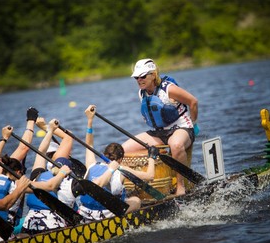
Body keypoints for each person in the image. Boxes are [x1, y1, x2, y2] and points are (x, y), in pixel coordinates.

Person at [122, 58, 199, 196]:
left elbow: (193, 101)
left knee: (175, 144)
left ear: (153, 75)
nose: (139, 80)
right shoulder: (142, 92)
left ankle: (180, 187)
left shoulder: (168, 88)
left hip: (182, 128)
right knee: (122, 150)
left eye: (143, 76)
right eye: (136, 78)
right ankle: (130, 190)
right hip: (160, 133)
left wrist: (194, 123)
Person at [77, 105, 158, 221]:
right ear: (120, 159)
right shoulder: (122, 170)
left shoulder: (91, 165)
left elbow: (89, 145)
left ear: (105, 155)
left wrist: (90, 120)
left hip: (84, 212)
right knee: (136, 200)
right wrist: (151, 157)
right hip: (105, 214)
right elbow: (150, 176)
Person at [21, 119, 73, 235]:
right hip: (52, 227)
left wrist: (49, 130)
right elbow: (68, 138)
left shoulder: (37, 174)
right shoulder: (65, 177)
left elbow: (41, 152)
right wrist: (46, 127)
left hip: (29, 224)